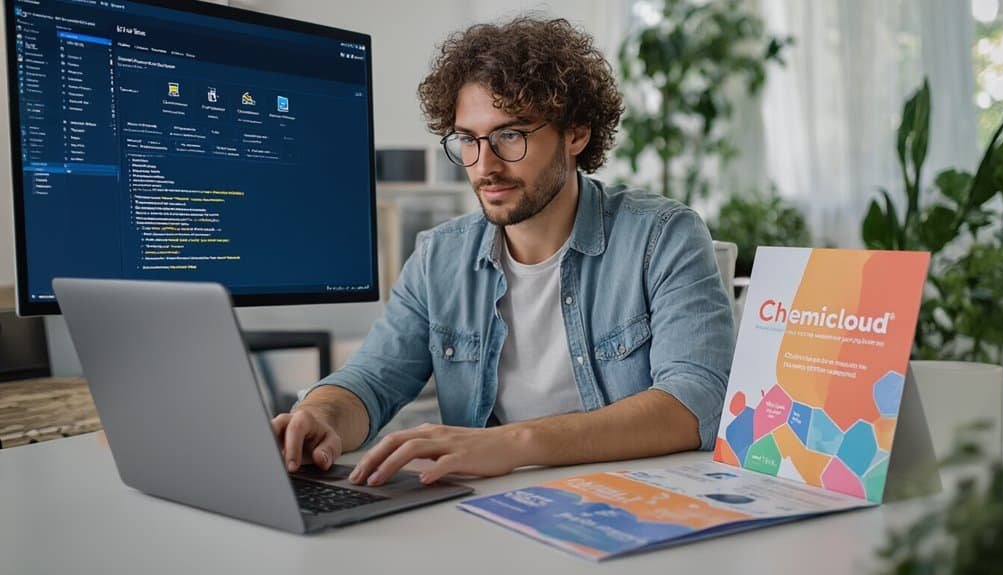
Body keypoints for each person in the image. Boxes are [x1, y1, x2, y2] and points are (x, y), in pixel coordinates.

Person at [273, 16, 735, 487]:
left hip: (634, 507)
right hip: (493, 515)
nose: (484, 165)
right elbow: (370, 382)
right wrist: (319, 415)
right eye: (469, 140)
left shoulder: (663, 237)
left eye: (510, 135)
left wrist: (512, 444)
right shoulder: (440, 258)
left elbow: (695, 401)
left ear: (575, 133)